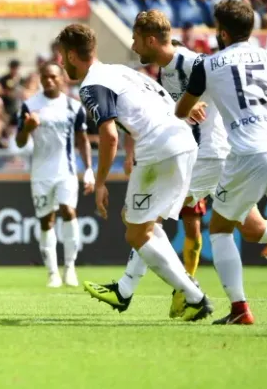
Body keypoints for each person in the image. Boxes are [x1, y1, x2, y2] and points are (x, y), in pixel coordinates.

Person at [101, 9, 267, 320]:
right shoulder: (166, 72)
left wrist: (193, 105)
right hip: (228, 155)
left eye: (136, 39)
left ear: (151, 40)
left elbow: (220, 85)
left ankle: (130, 289)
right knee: (254, 229)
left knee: (143, 217)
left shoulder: (194, 63)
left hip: (211, 155)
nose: (133, 45)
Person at [55, 24, 214, 322]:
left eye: (63, 56)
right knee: (139, 222)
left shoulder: (91, 85)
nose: (62, 63)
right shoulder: (121, 71)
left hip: (159, 148)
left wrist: (100, 182)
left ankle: (193, 296)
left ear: (73, 55)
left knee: (137, 232)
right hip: (182, 141)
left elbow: (109, 136)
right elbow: (159, 98)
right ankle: (128, 290)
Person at [175, 0, 267, 325]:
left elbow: (182, 110)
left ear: (222, 32)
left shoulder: (209, 65)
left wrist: (192, 106)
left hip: (249, 152)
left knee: (220, 229)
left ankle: (239, 309)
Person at [15, 62, 94, 288]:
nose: (49, 80)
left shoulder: (73, 106)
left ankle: (70, 267)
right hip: (41, 173)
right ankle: (52, 273)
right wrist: (28, 128)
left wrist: (89, 169)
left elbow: (82, 140)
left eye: (53, 76)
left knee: (69, 211)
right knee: (46, 220)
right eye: (45, 77)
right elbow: (19, 142)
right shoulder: (30, 105)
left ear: (62, 79)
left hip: (66, 171)